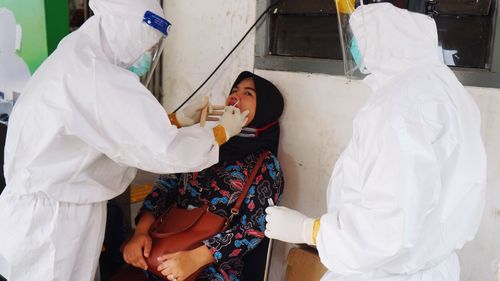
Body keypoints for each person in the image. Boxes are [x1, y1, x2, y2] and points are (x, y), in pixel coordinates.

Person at [0, 0, 248, 280]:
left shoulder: (77, 56)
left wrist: (173, 121)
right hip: (54, 223)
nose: (147, 53)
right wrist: (218, 133)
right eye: (147, 44)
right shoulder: (94, 75)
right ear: (128, 30)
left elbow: (107, 130)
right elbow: (162, 149)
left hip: (51, 209)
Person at [265, 3, 486, 281]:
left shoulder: (399, 106)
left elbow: (387, 224)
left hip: (387, 272)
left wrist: (309, 230)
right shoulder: (445, 89)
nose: (356, 49)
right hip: (430, 265)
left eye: (358, 39)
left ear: (383, 42)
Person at [123, 71, 285, 281]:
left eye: (248, 93)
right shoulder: (207, 142)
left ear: (265, 109)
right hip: (160, 253)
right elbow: (166, 185)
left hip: (213, 271)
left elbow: (254, 227)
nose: (236, 96)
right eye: (234, 90)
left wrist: (196, 259)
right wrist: (141, 232)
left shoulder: (266, 165)